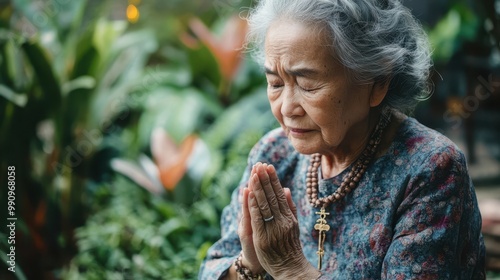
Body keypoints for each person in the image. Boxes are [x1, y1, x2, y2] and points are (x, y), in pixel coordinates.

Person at [199, 0, 485, 279]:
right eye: (275, 83)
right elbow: (213, 268)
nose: (286, 108)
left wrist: (291, 269)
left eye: (307, 84)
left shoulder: (430, 170)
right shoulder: (274, 154)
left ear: (378, 81)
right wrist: (250, 262)